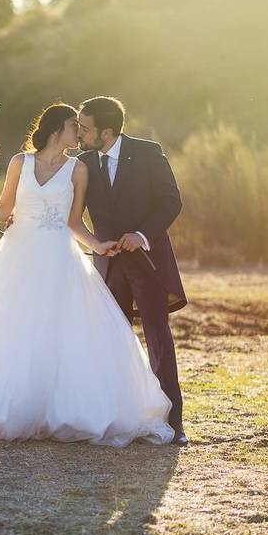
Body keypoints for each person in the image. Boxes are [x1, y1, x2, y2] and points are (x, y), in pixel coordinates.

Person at [0, 102, 175, 446]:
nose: (79, 133)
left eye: (83, 127)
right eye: (75, 126)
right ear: (58, 129)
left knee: (58, 330)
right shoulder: (18, 163)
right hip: (18, 253)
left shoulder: (78, 169)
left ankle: (57, 410)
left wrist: (97, 245)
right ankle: (6, 408)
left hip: (59, 256)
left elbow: (74, 222)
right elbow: (4, 208)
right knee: (11, 328)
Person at [77, 96, 188, 445]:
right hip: (107, 266)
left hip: (148, 263)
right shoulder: (81, 163)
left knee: (158, 339)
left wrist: (141, 235)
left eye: (84, 128)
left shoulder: (148, 152)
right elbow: (62, 206)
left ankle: (174, 423)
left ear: (107, 132)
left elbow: (171, 200)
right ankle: (120, 418)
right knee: (114, 342)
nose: (79, 133)